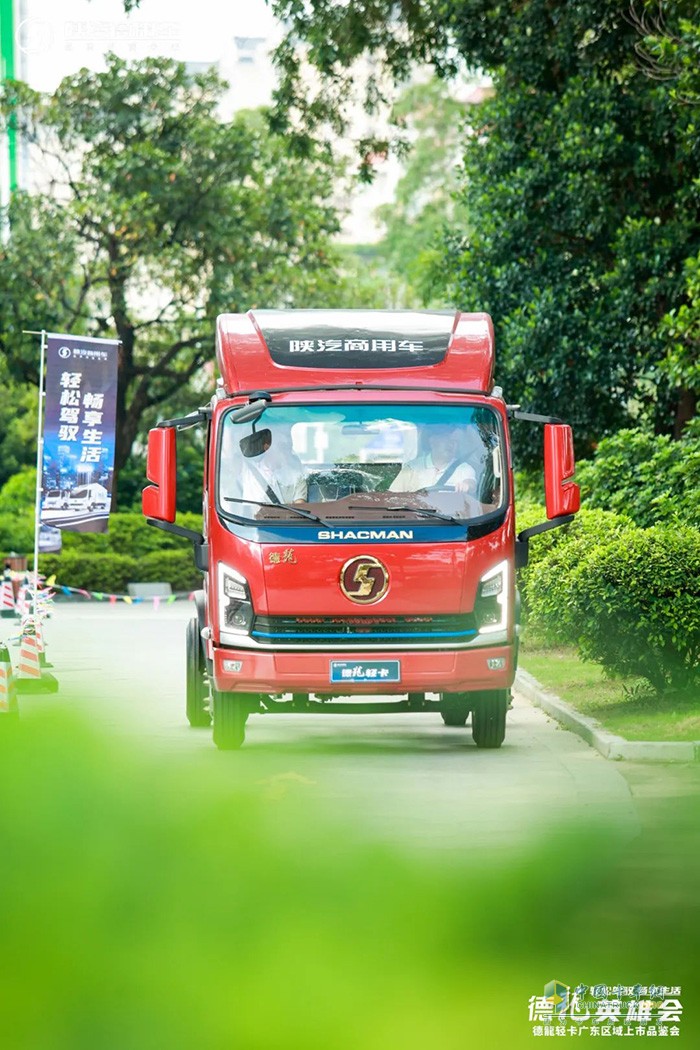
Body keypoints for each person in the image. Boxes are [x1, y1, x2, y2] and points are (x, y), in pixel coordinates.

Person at [390, 424, 477, 494]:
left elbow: (470, 482)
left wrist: (466, 485)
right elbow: (392, 497)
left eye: (455, 442)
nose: (451, 445)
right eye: (447, 439)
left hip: (451, 515)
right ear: (432, 441)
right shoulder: (412, 468)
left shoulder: (463, 468)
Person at [239, 428, 307, 505]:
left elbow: (300, 508)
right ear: (267, 448)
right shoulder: (249, 471)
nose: (288, 451)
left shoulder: (296, 477)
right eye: (282, 446)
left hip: (284, 517)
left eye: (288, 446)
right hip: (247, 517)